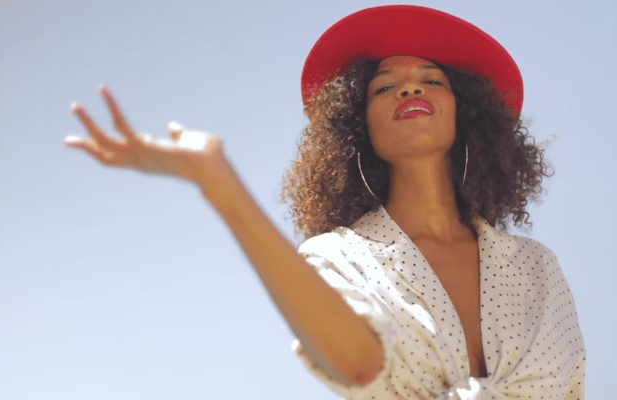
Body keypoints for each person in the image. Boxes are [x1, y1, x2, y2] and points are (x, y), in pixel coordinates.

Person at [64, 5, 586, 400]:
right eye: (384, 87)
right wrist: (216, 179)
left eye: (432, 80)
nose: (410, 89)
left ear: (466, 114)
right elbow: (358, 363)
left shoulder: (535, 266)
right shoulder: (338, 258)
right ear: (356, 129)